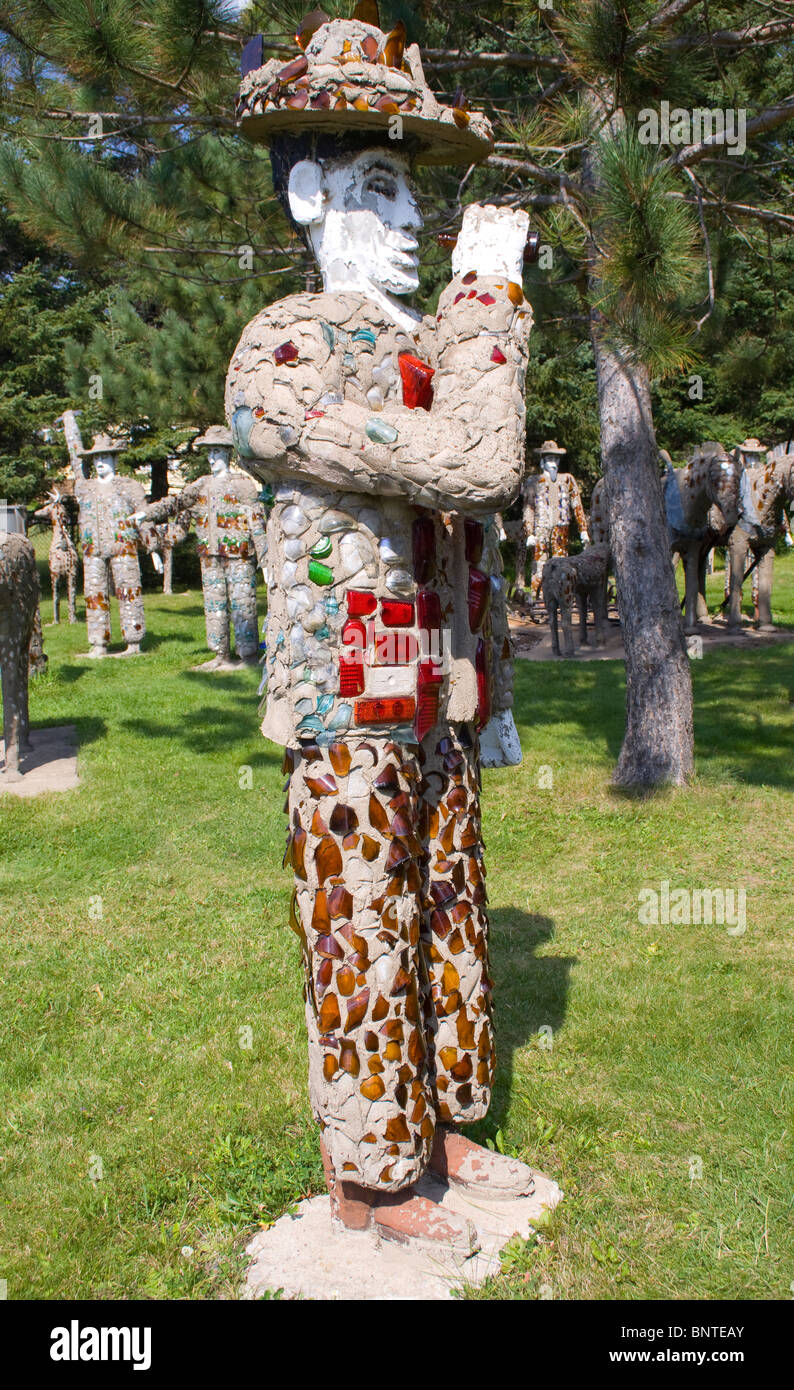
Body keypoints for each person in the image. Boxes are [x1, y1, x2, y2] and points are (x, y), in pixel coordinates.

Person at [227, 13, 537, 1251]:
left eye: (412, 192)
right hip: (346, 697)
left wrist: (494, 686)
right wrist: (486, 306)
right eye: (377, 188)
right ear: (310, 193)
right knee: (360, 914)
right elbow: (476, 461)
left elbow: (468, 543)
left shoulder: (422, 349)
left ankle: (443, 1120)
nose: (408, 222)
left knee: (447, 904)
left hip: (435, 692)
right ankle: (369, 1172)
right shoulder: (285, 347)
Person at [139, 426, 267, 668]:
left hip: (238, 555)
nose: (212, 458)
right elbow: (176, 506)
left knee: (243, 603)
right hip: (209, 556)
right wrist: (147, 517)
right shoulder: (200, 486)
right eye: (209, 452)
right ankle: (220, 654)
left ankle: (248, 655)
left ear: (227, 454)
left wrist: (265, 558)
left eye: (217, 452)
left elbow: (257, 521)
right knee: (214, 605)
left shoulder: (241, 485)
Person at [72, 434, 162, 657]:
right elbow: (74, 457)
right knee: (94, 595)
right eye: (96, 458)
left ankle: (133, 641)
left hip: (124, 548)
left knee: (129, 591)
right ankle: (98, 643)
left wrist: (153, 549)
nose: (100, 462)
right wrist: (69, 423)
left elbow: (143, 516)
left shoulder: (128, 487)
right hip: (93, 550)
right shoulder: (85, 488)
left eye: (104, 457)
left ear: (114, 459)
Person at [523, 441, 589, 601]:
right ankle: (538, 599)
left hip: (561, 527)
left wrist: (583, 529)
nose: (553, 463)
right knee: (539, 564)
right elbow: (528, 508)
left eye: (555, 459)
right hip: (540, 527)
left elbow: (576, 503)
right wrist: (529, 532)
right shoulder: (534, 481)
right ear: (542, 461)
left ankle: (561, 598)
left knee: (561, 564)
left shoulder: (567, 480)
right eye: (549, 459)